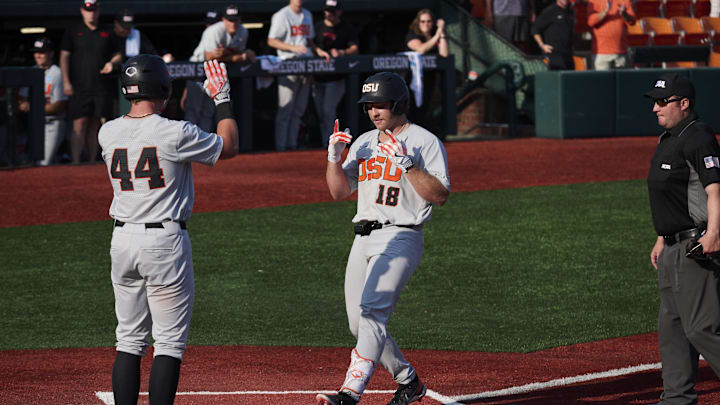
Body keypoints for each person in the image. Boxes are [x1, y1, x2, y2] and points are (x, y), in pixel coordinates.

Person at [99, 55, 238, 405]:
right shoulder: (176, 132)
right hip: (164, 241)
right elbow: (229, 145)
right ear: (163, 87)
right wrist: (221, 98)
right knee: (169, 342)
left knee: (128, 340)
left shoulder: (107, 132)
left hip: (121, 240)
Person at [316, 72, 450, 405]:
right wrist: (333, 159)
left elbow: (440, 195)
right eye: (370, 107)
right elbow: (339, 191)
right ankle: (409, 382)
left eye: (381, 105)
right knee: (357, 322)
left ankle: (350, 392)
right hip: (362, 238)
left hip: (402, 236)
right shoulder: (364, 142)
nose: (375, 112)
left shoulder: (424, 141)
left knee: (373, 313)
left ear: (399, 104)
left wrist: (408, 163)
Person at [646, 73, 720, 405]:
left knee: (701, 327)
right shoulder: (668, 139)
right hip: (672, 248)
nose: (656, 108)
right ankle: (676, 400)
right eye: (655, 102)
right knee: (671, 327)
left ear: (684, 104)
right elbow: (672, 197)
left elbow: (714, 190)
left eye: (663, 102)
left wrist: (714, 233)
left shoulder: (699, 137)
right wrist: (662, 238)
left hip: (696, 247)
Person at [60, 0, 123, 164]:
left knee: (96, 123)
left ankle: (91, 161)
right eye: (88, 10)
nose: (91, 14)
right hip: (79, 86)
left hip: (101, 86)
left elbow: (118, 54)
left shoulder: (108, 31)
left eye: (94, 10)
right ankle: (75, 161)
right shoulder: (73, 31)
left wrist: (112, 63)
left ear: (99, 11)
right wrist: (66, 82)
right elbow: (64, 56)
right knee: (79, 123)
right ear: (82, 11)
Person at [267, 0, 329, 151]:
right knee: (286, 109)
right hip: (288, 65)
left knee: (299, 110)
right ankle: (281, 147)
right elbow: (271, 41)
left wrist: (318, 51)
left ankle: (291, 145)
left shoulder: (307, 14)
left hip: (305, 65)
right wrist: (292, 47)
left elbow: (308, 40)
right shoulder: (282, 15)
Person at [184, 4, 256, 133]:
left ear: (240, 20)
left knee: (208, 111)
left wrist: (229, 55)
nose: (233, 23)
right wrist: (236, 57)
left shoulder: (243, 32)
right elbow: (210, 56)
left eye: (236, 19)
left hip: (214, 72)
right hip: (198, 69)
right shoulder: (214, 30)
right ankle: (189, 145)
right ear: (223, 19)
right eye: (230, 20)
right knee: (193, 111)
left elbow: (236, 53)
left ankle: (203, 145)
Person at [313, 0, 359, 148]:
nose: (329, 14)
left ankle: (329, 143)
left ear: (339, 12)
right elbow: (310, 44)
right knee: (320, 113)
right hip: (318, 78)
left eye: (332, 11)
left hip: (336, 79)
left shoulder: (346, 28)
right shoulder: (318, 26)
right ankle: (323, 141)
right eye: (327, 11)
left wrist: (341, 52)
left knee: (328, 111)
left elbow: (355, 49)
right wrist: (318, 51)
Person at [17, 37, 68, 166]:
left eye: (42, 52)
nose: (38, 55)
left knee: (44, 163)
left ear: (51, 53)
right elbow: (22, 98)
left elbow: (60, 105)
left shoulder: (57, 73)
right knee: (29, 162)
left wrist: (32, 107)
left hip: (52, 122)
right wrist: (25, 105)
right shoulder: (31, 71)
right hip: (33, 124)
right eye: (36, 52)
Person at [404, 9, 449, 130]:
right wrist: (437, 35)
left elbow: (444, 54)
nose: (426, 24)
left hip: (429, 78)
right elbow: (421, 49)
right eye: (422, 21)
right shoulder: (412, 35)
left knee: (425, 108)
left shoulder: (435, 34)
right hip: (412, 79)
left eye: (429, 21)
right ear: (418, 23)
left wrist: (442, 32)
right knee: (412, 108)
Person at [587, 0, 635, 70]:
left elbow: (632, 21)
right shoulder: (594, 1)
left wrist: (624, 14)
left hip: (620, 52)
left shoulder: (625, 1)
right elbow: (590, 21)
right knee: (602, 80)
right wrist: (605, 11)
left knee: (622, 80)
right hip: (601, 54)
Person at [531, 0, 575, 70]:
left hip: (568, 55)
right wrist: (542, 45)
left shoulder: (570, 12)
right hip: (554, 54)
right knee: (556, 79)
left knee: (570, 79)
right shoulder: (550, 11)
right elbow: (535, 29)